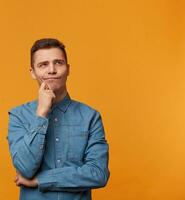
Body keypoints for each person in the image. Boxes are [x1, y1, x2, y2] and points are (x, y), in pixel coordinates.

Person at [7, 38, 110, 200]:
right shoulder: (18, 115)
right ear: (33, 72)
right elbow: (25, 168)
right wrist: (41, 113)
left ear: (68, 69)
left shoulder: (91, 116)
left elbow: (98, 173)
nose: (52, 70)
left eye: (58, 63)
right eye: (43, 65)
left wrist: (40, 180)